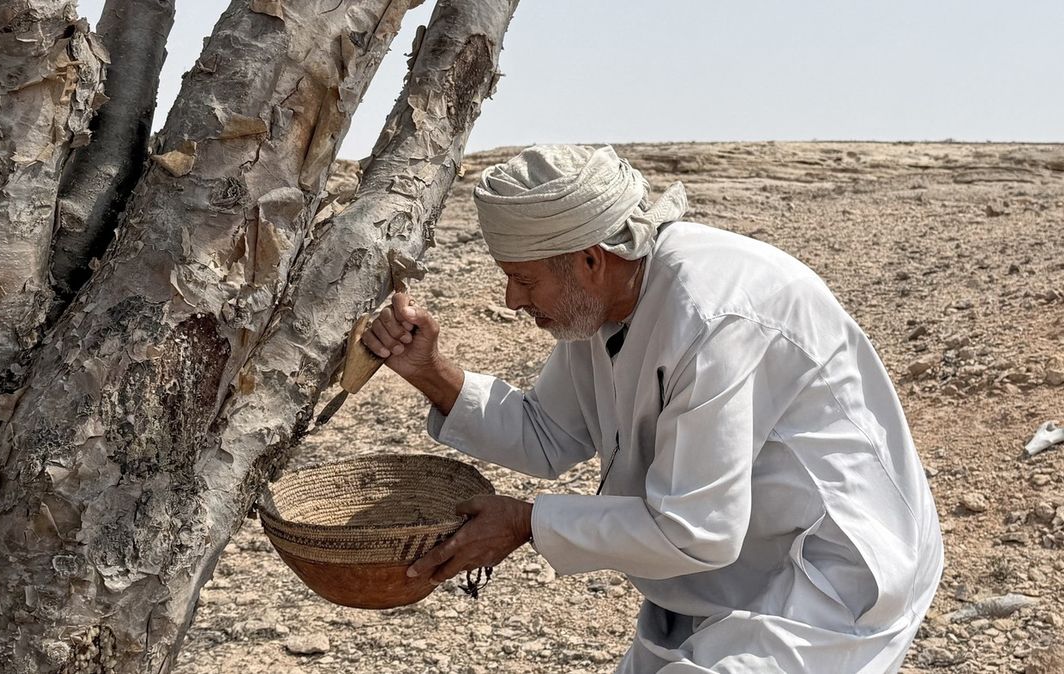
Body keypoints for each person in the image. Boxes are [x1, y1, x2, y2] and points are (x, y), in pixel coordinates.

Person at [362, 144, 943, 673]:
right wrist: (430, 373)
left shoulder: (714, 319)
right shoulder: (602, 306)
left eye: (522, 280)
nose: (512, 301)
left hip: (826, 575)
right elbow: (546, 435)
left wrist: (526, 522)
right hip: (718, 578)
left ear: (591, 259)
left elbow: (696, 531)